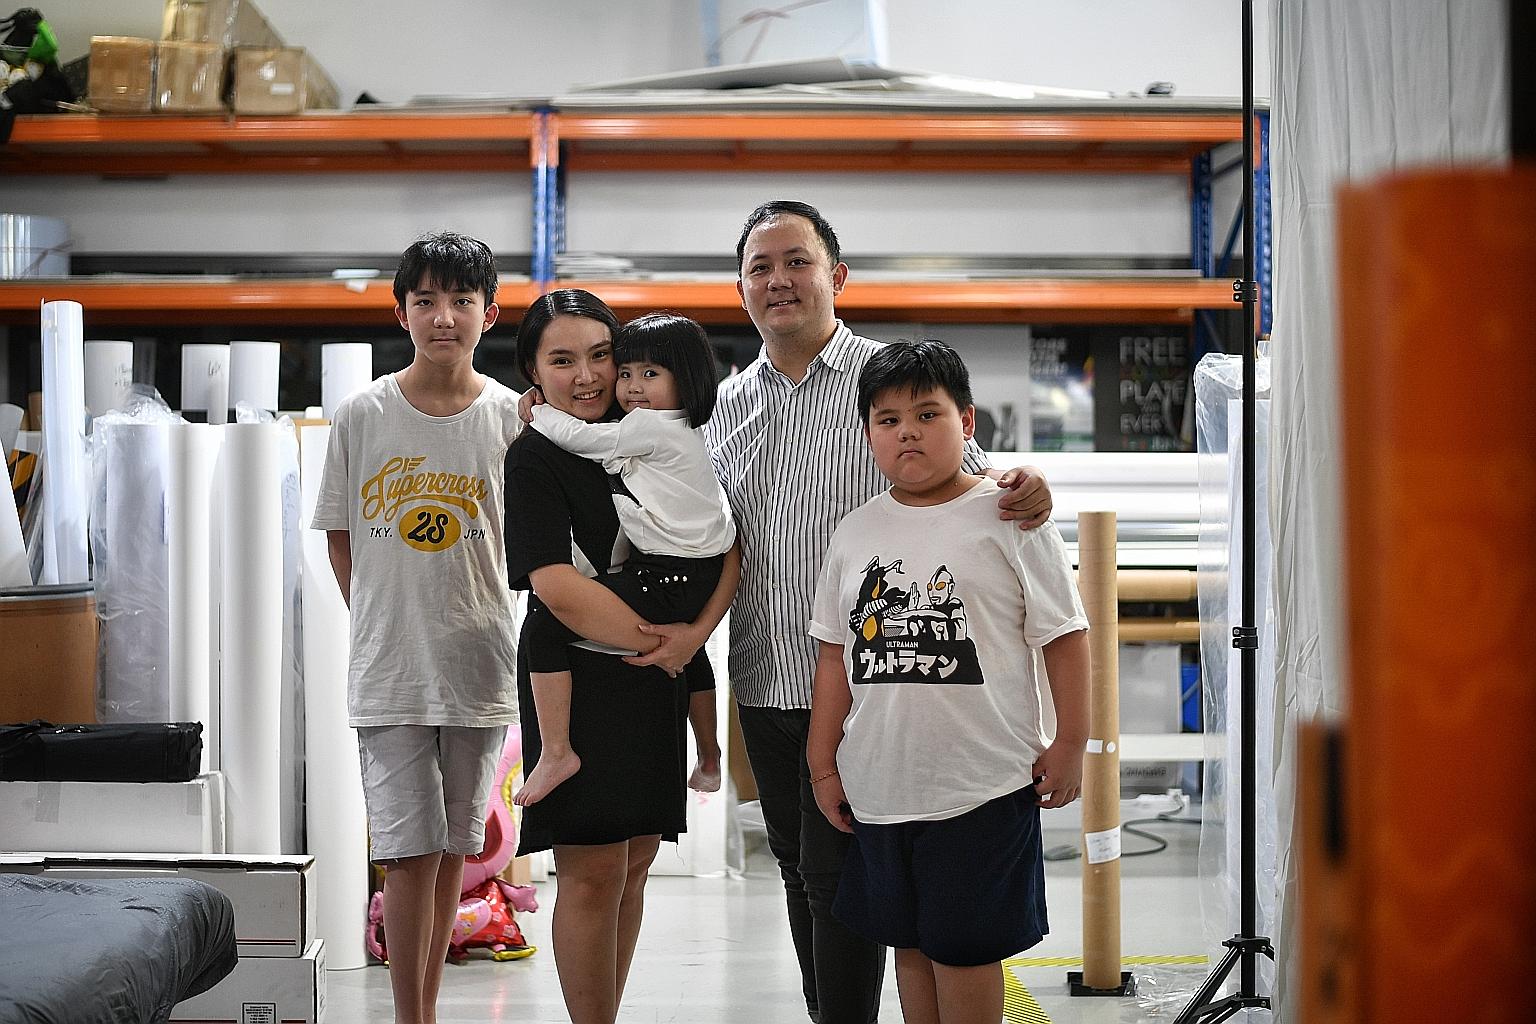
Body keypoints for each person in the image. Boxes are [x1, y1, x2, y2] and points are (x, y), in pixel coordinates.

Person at [680, 200, 1055, 1024]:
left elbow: (979, 482)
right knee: (797, 867)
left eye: (798, 261)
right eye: (760, 268)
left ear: (836, 276)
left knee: (840, 879)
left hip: (867, 687)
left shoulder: (887, 380)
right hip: (765, 675)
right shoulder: (727, 405)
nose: (779, 280)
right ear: (740, 289)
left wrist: (1030, 487)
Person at [806, 339, 1089, 1024]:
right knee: (909, 944)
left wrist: (1072, 743)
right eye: (888, 418)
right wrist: (822, 765)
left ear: (967, 423)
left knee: (964, 949)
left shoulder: (1012, 518)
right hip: (880, 783)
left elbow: (1065, 636)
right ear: (868, 433)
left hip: (982, 785)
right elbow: (836, 655)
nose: (908, 431)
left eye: (928, 414)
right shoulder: (854, 532)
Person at [505, 290, 739, 1024]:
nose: (588, 375)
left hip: (654, 672)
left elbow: (728, 542)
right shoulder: (539, 454)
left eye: (601, 356)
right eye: (562, 360)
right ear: (534, 375)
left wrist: (692, 639)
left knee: (636, 860)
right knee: (594, 867)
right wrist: (661, 644)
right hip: (577, 672)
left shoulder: (651, 432)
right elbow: (555, 586)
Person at [309, 231, 522, 1024]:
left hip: (479, 662)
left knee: (453, 853)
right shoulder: (364, 413)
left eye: (461, 300)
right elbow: (340, 535)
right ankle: (412, 1016)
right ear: (401, 313)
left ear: (489, 313)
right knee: (405, 852)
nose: (444, 317)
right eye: (426, 301)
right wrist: (380, 620)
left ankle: (426, 1005)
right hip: (391, 667)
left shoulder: (510, 419)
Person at [514, 311, 737, 807]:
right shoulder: (680, 432)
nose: (631, 386)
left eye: (650, 375)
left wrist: (537, 412)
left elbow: (584, 440)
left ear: (688, 380)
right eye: (629, 371)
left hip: (669, 571)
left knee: (544, 629)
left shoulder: (648, 428)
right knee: (690, 655)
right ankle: (709, 753)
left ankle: (555, 751)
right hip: (698, 569)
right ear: (534, 367)